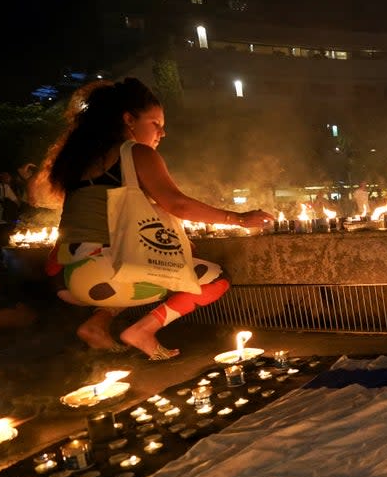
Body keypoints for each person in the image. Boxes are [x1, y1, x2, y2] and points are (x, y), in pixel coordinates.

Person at [41, 77, 274, 360]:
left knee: (132, 262)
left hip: (67, 279)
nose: (162, 133)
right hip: (106, 275)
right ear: (128, 119)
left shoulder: (77, 162)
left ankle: (97, 323)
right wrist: (238, 218)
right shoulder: (135, 152)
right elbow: (179, 205)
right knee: (214, 279)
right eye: (155, 124)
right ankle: (144, 329)